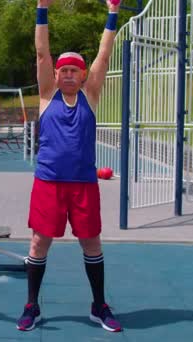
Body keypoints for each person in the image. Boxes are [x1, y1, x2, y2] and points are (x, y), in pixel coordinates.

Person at [16, 0, 123, 332]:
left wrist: (113, 13)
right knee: (38, 243)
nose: (68, 74)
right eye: (63, 70)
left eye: (74, 69)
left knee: (91, 242)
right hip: (48, 183)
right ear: (56, 73)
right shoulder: (48, 95)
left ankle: (98, 305)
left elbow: (103, 56)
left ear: (82, 74)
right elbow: (41, 52)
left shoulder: (90, 95)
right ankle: (31, 305)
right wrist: (42, 8)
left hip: (83, 185)